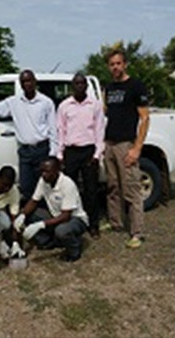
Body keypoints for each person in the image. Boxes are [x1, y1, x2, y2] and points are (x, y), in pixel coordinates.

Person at [0, 69, 57, 202]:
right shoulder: (14, 102)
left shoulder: (46, 102)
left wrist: (53, 154)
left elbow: (53, 129)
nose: (27, 84)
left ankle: (45, 218)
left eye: (29, 81)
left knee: (44, 188)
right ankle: (30, 218)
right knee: (26, 188)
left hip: (42, 150)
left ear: (35, 82)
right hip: (25, 151)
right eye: (23, 82)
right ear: (21, 84)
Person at [103, 48, 150, 249]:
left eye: (118, 63)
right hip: (109, 144)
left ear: (125, 64)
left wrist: (136, 148)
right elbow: (104, 113)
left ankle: (137, 232)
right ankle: (115, 222)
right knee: (112, 187)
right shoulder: (109, 88)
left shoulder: (136, 86)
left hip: (126, 145)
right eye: (112, 64)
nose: (115, 67)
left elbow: (145, 118)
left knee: (131, 189)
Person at [56, 73, 105, 239]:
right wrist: (60, 155)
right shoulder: (64, 106)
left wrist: (97, 154)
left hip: (89, 152)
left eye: (82, 83)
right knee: (70, 190)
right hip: (70, 152)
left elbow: (99, 131)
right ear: (72, 86)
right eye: (76, 83)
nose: (80, 86)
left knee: (91, 190)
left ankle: (93, 226)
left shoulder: (95, 104)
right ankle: (72, 223)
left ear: (86, 86)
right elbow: (61, 131)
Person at [13, 157, 88, 262]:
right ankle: (50, 242)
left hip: (75, 219)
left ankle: (74, 251)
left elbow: (66, 216)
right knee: (31, 214)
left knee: (61, 230)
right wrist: (22, 215)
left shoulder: (67, 184)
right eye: (42, 171)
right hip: (56, 215)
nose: (44, 174)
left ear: (57, 170)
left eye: (47, 171)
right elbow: (34, 201)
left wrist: (41, 224)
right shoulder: (43, 181)